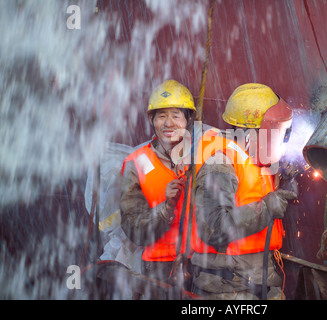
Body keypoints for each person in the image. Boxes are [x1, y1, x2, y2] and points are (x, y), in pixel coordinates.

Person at [190, 83, 297, 299]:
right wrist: (266, 208)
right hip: (228, 289)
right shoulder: (220, 164)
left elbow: (250, 193)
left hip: (257, 282)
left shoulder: (254, 160)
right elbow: (214, 227)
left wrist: (283, 179)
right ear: (250, 135)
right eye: (277, 133)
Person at [119, 79, 196, 297]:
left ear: (188, 120)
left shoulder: (202, 156)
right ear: (152, 120)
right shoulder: (136, 163)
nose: (169, 123)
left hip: (200, 265)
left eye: (176, 115)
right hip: (159, 269)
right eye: (162, 115)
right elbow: (133, 229)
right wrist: (166, 207)